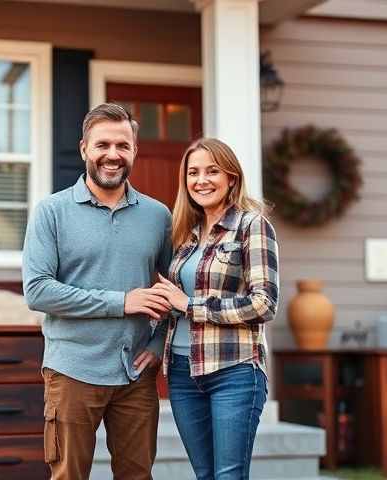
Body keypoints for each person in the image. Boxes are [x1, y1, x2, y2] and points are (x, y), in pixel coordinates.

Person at [22, 103, 172, 480]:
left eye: (123, 145)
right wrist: (122, 302)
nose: (113, 154)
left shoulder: (157, 216)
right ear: (84, 148)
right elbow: (38, 291)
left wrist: (158, 346)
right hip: (73, 370)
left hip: (135, 376)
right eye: (103, 144)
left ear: (135, 151)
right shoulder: (51, 212)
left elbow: (176, 289)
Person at [151, 138, 279, 480]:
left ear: (231, 178)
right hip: (182, 371)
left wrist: (190, 305)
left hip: (234, 370)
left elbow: (264, 303)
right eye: (193, 172)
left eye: (212, 171)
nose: (201, 180)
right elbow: (177, 300)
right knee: (205, 475)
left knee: (228, 476)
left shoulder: (252, 225)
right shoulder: (186, 234)